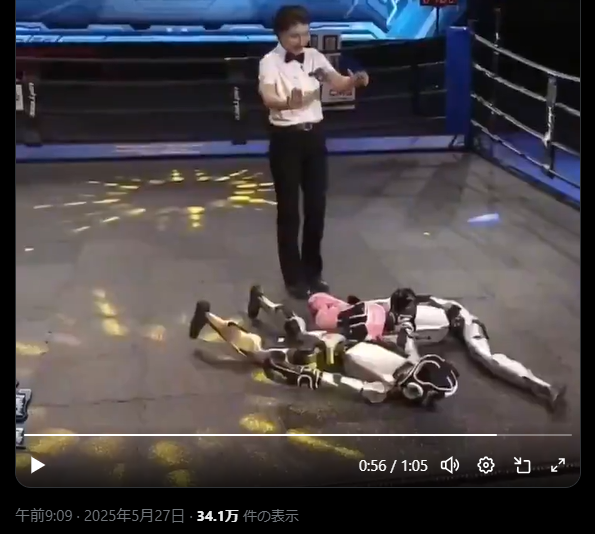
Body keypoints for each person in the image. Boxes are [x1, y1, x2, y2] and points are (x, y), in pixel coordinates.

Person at [258, 5, 369, 300]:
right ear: (280, 34)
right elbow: (268, 97)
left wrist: (354, 80)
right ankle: (293, 277)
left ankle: (313, 272)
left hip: (314, 138)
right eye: (294, 36)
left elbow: (338, 82)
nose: (301, 41)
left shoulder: (315, 57)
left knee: (316, 208)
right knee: (289, 212)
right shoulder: (269, 62)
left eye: (305, 34)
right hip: (286, 139)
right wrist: (287, 103)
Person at [188, 286, 459, 406]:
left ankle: (225, 312)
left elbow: (340, 382)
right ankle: (244, 306)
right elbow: (340, 382)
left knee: (273, 346)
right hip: (336, 347)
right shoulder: (399, 372)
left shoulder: (384, 387)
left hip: (331, 352)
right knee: (287, 336)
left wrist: (299, 373)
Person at [307, 288, 567, 411]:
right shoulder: (388, 311)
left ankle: (541, 386)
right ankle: (541, 387)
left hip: (460, 320)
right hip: (433, 325)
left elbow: (411, 351)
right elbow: (371, 308)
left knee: (484, 356)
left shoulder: (404, 318)